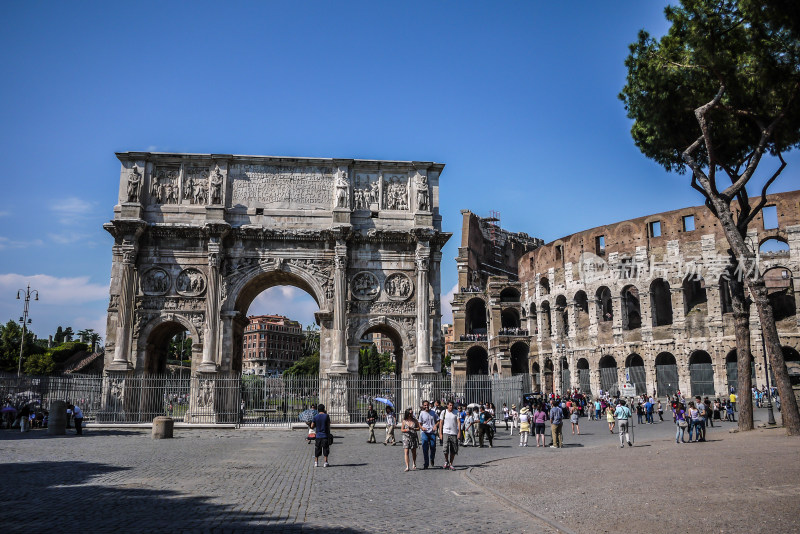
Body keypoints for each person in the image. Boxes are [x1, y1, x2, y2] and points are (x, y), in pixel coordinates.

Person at [439, 401, 460, 470]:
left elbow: (458, 422)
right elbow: (441, 423)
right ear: (447, 405)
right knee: (445, 448)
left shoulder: (456, 412)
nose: (451, 407)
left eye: (452, 405)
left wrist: (459, 432)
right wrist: (440, 433)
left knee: (453, 449)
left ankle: (451, 463)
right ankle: (446, 460)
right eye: (450, 405)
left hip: (454, 432)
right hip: (446, 432)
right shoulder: (443, 412)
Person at [418, 400, 438, 468]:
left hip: (432, 432)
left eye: (427, 405)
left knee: (433, 447)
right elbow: (419, 424)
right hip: (424, 432)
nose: (426, 406)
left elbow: (438, 421)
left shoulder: (433, 412)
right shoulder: (422, 413)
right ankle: (426, 463)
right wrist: (422, 428)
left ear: (429, 405)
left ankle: (432, 458)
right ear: (423, 406)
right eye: (425, 405)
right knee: (425, 447)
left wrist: (435, 425)